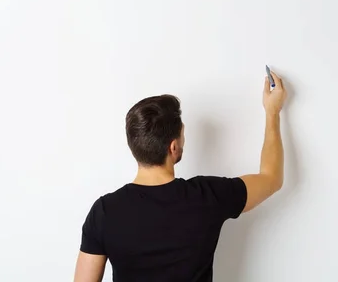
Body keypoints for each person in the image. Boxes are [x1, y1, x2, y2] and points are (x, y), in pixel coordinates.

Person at [74, 72, 287, 282]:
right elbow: (271, 177)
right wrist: (272, 112)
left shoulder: (104, 212)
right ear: (173, 147)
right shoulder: (208, 196)